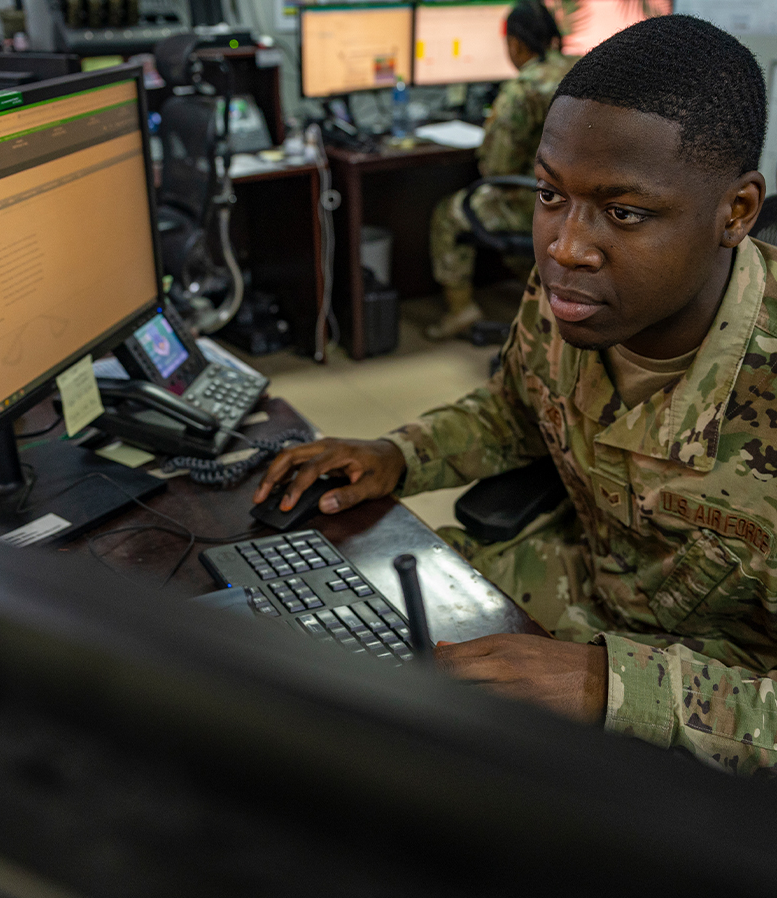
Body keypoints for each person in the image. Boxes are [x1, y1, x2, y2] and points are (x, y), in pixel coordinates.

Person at [254, 15, 777, 776]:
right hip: (579, 587)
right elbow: (516, 410)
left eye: (623, 212)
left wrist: (612, 688)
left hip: (720, 694)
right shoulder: (577, 290)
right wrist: (398, 455)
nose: (564, 246)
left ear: (735, 212)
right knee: (334, 637)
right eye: (549, 194)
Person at [425, 0, 576, 341]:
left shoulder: (522, 89)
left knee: (450, 213)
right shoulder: (580, 70)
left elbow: (496, 166)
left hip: (541, 205)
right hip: (586, 207)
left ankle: (461, 309)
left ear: (515, 44)